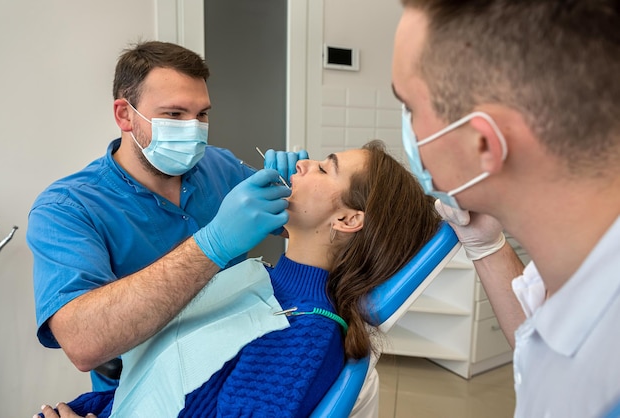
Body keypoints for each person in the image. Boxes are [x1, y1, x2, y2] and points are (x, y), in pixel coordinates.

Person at [35, 140, 442, 418]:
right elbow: (171, 383)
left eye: (323, 168)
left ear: (349, 219)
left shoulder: (303, 334)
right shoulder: (266, 285)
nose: (302, 163)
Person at [27, 40, 306, 393]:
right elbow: (83, 343)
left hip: (245, 369)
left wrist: (303, 191)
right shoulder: (67, 209)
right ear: (124, 115)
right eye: (174, 115)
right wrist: (211, 246)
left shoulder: (217, 165)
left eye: (201, 114)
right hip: (152, 396)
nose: (193, 129)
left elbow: (300, 224)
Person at [392, 1, 620, 416]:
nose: (407, 128)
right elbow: (545, 346)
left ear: (483, 145)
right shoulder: (583, 260)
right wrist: (487, 245)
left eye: (409, 107)